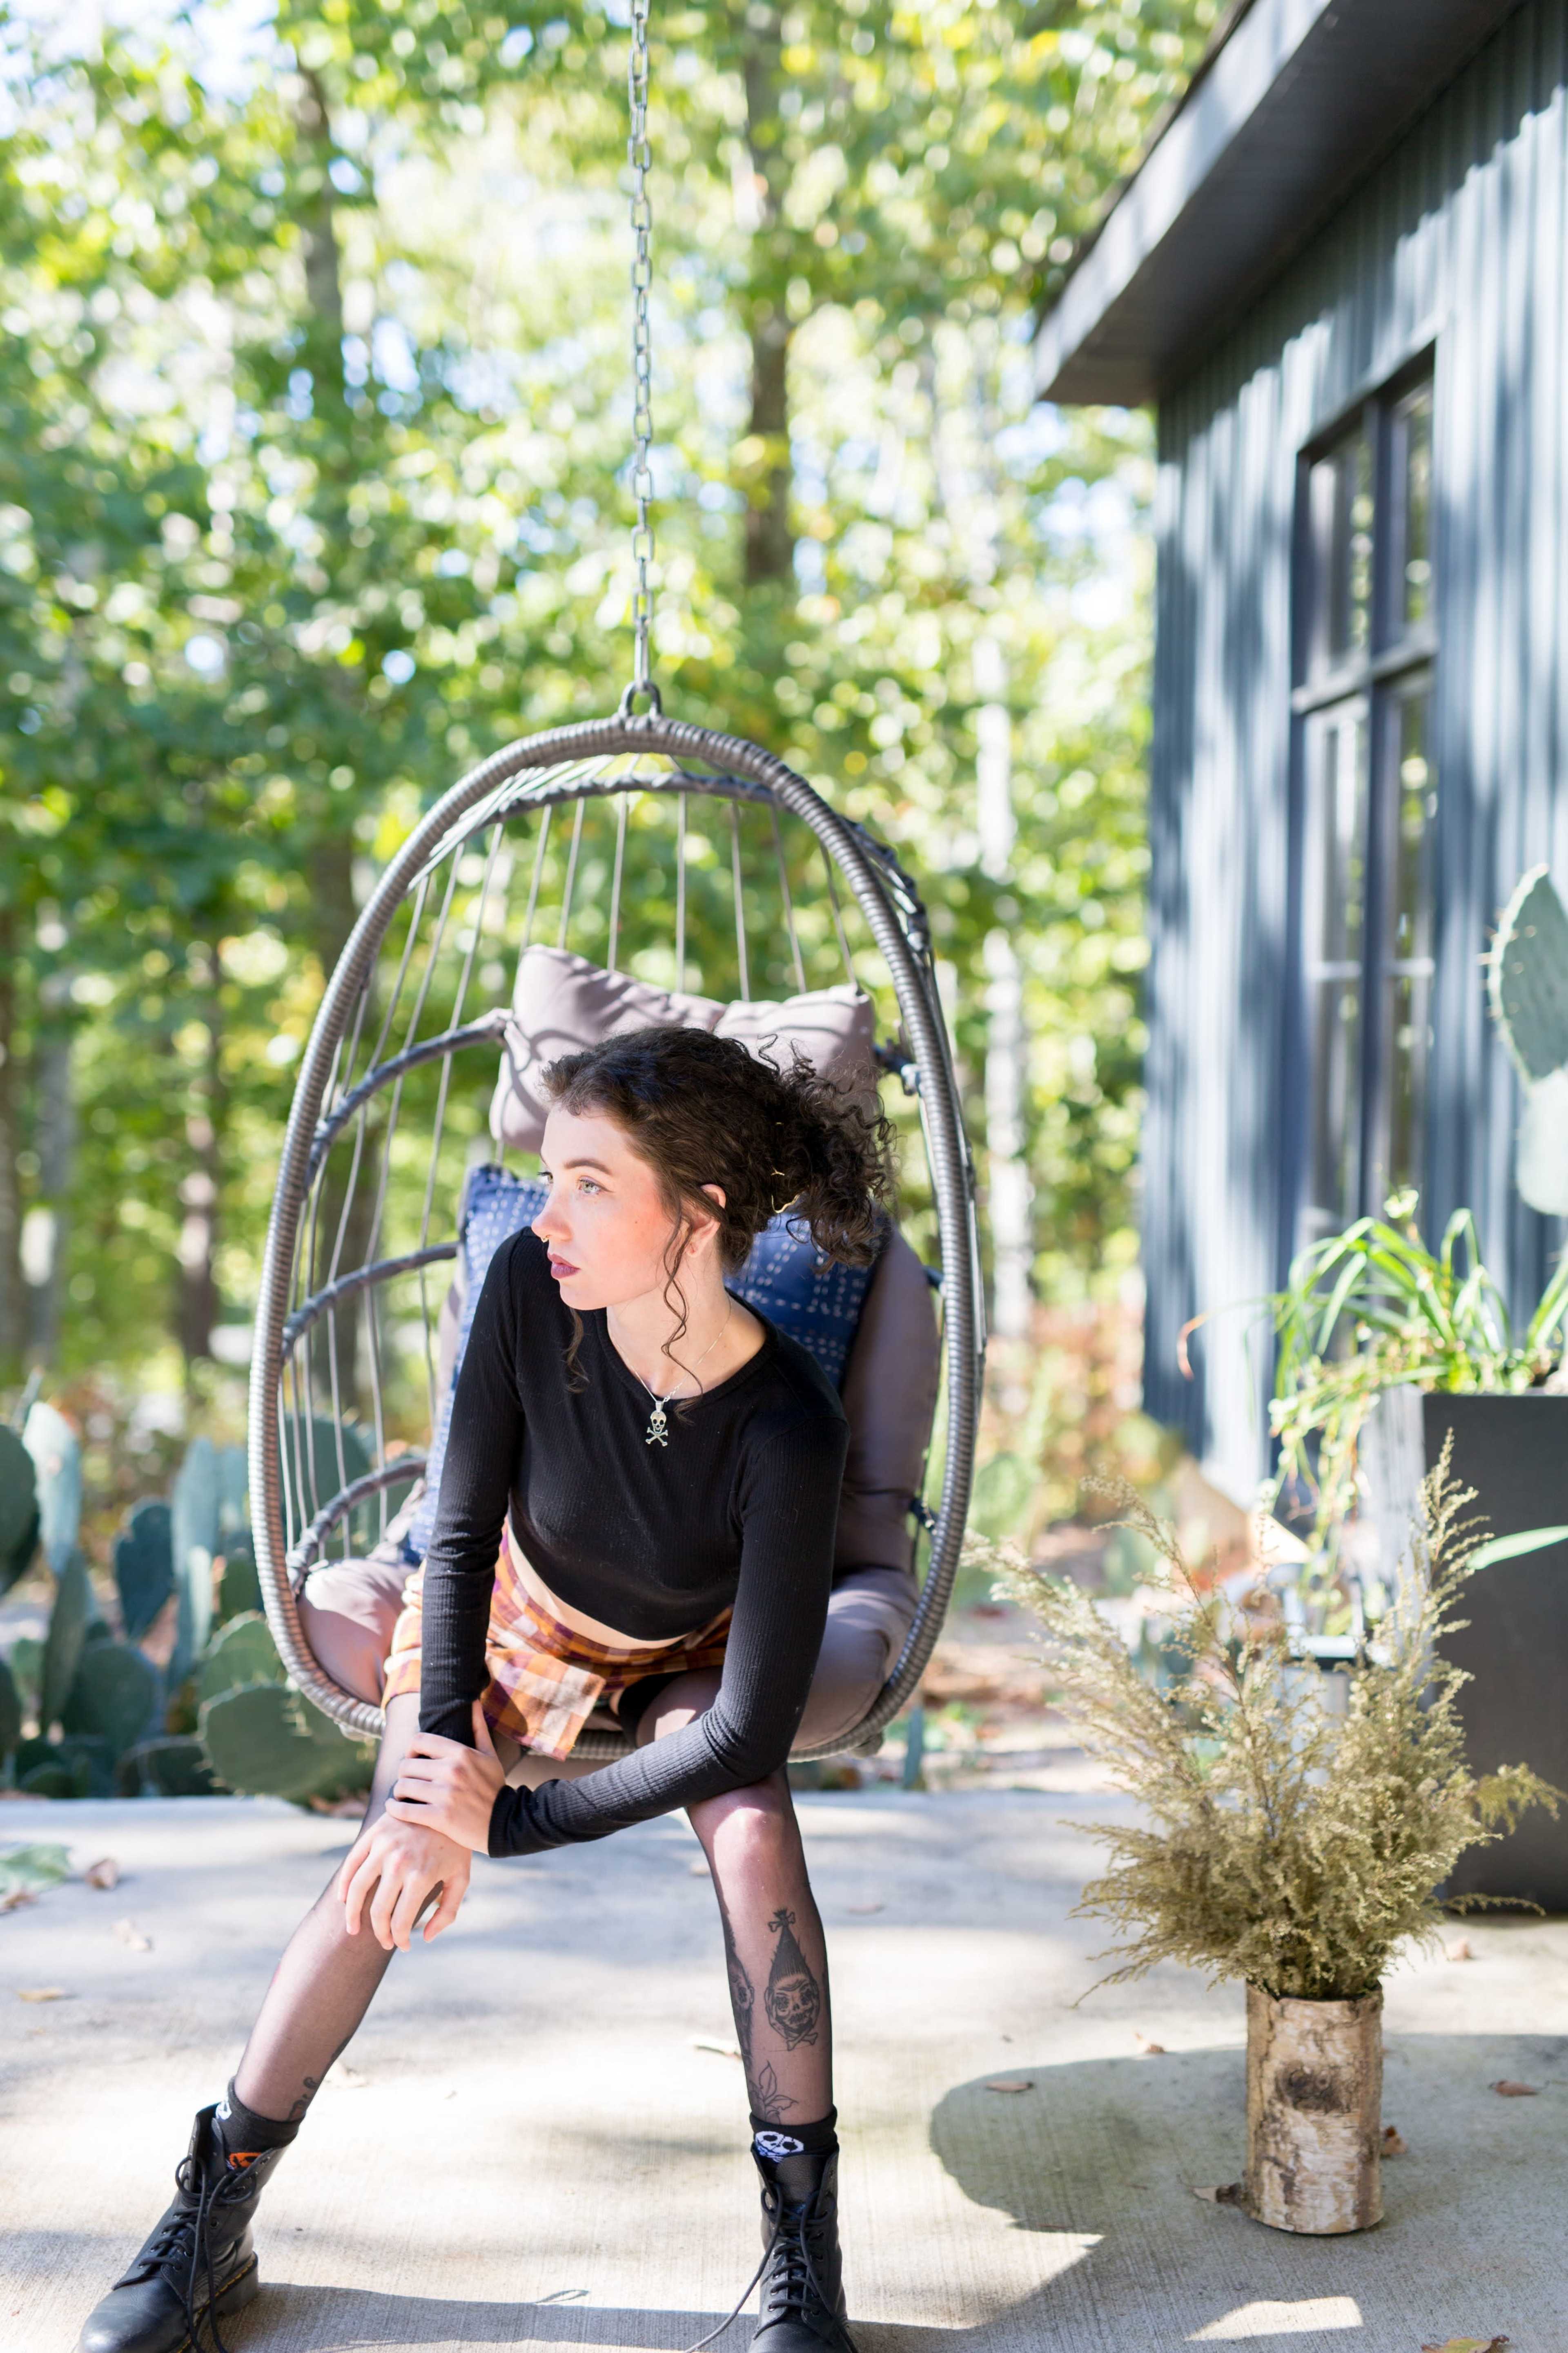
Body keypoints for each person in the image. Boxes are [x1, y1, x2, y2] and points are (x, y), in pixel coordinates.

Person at [79, 1024, 915, 2353]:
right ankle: (212, 2212)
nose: (548, 1214)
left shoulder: (788, 1422)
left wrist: (505, 1823)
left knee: (755, 1824)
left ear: (696, 1212)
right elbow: (459, 1536)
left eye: (589, 1182)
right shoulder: (533, 1283)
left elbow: (748, 1722)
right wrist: (436, 1783)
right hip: (515, 1612)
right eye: (547, 1175)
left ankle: (802, 2252)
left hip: (688, 1650)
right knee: (389, 1843)